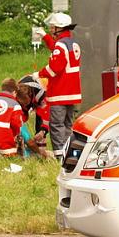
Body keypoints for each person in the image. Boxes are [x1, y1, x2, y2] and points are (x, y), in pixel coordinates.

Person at [38, 12, 81, 160]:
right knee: (68, 125)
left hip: (60, 92)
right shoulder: (72, 43)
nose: (51, 30)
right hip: (72, 92)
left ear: (58, 28)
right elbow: (57, 50)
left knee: (56, 125)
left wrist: (39, 74)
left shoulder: (61, 45)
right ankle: (70, 154)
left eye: (52, 27)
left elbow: (54, 68)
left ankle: (59, 157)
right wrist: (45, 36)